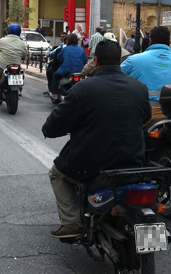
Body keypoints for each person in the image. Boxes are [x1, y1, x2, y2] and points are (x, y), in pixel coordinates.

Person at [42, 40, 151, 238]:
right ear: (120, 61)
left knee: (57, 174)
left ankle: (71, 223)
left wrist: (52, 129)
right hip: (133, 161)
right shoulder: (140, 88)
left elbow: (54, 126)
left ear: (96, 61)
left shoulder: (82, 89)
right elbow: (145, 117)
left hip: (90, 165)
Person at [121, 26, 171, 101]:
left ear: (150, 41)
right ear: (169, 42)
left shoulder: (132, 61)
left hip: (140, 110)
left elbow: (115, 79)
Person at [0, 23, 28, 95]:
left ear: (8, 32)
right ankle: (19, 87)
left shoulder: (2, 41)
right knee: (21, 73)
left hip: (4, 66)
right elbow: (25, 54)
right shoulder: (22, 43)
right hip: (17, 66)